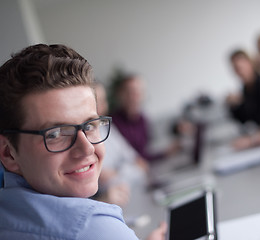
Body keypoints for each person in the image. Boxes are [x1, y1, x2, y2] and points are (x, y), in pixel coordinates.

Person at [0, 44, 166, 240]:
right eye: (55, 134)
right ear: (8, 153)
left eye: (89, 125)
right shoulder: (94, 227)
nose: (87, 148)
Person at [93, 82, 148, 207]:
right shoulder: (85, 140)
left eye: (104, 100)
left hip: (128, 197)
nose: (102, 106)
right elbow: (104, 180)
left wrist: (118, 172)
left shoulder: (107, 127)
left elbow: (140, 163)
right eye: (97, 101)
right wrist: (129, 170)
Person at [110, 74, 179, 162]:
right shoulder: (113, 124)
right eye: (130, 92)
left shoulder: (143, 119)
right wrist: (164, 154)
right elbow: (135, 159)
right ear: (121, 95)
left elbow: (147, 150)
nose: (134, 97)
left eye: (139, 92)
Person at [226, 49, 260, 147]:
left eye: (240, 67)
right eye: (235, 69)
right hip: (258, 136)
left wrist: (252, 139)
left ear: (250, 64)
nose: (238, 72)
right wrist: (234, 105)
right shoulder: (246, 88)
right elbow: (244, 119)